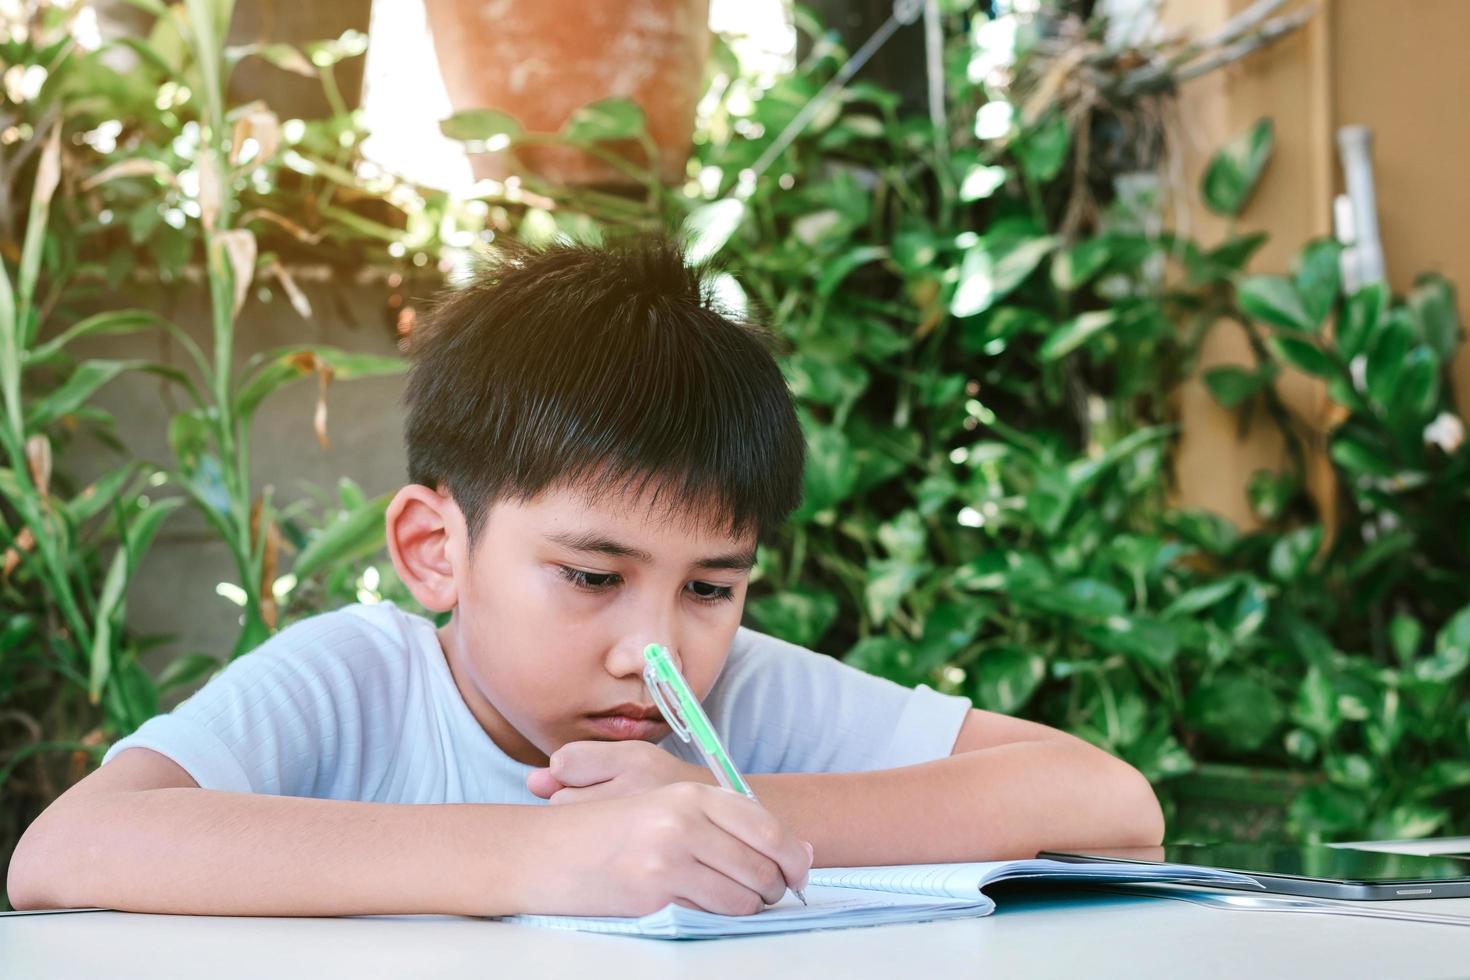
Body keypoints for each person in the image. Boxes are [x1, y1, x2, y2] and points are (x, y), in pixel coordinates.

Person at [8, 238, 1163, 917]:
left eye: (712, 586)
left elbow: (1112, 806)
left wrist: (726, 817)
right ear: (433, 549)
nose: (655, 649)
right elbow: (61, 854)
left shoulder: (737, 696)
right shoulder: (355, 676)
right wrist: (545, 851)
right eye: (591, 573)